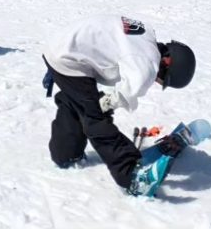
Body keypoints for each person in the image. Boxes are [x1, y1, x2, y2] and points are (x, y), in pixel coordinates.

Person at [43, 14, 196, 196]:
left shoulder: (146, 36)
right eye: (163, 79)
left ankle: (65, 154)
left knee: (76, 101)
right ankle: (131, 174)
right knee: (95, 118)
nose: (157, 81)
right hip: (69, 58)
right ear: (168, 62)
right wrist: (104, 105)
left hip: (62, 46)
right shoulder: (146, 62)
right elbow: (126, 94)